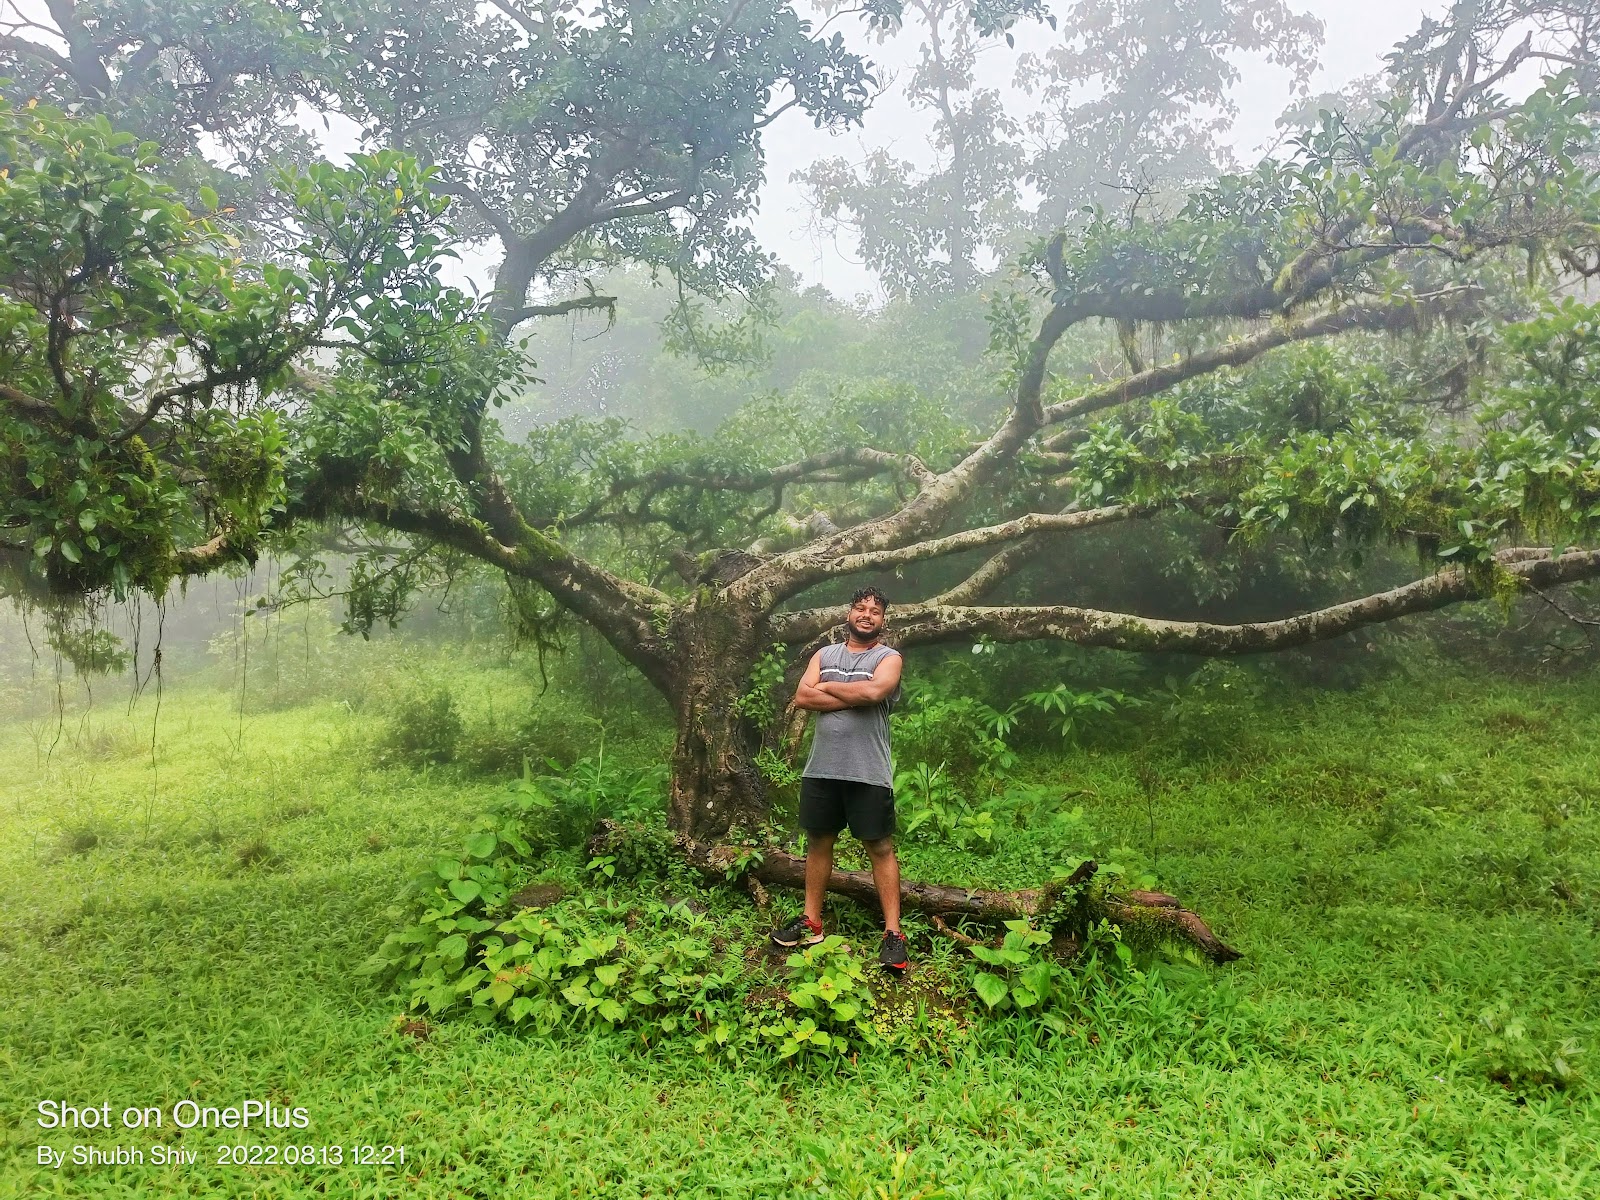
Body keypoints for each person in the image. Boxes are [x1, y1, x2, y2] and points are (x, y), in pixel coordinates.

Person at [769, 586, 908, 971]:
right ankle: (811, 921)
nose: (867, 614)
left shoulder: (888, 657)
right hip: (822, 769)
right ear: (849, 613)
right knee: (818, 842)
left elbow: (877, 689)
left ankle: (893, 933)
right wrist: (855, 694)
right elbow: (802, 697)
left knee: (879, 846)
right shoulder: (823, 654)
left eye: (875, 611)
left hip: (868, 771)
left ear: (882, 620)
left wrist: (827, 687)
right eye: (861, 608)